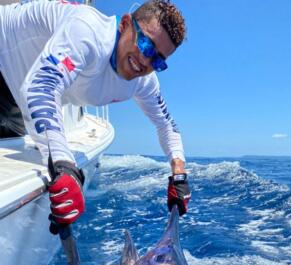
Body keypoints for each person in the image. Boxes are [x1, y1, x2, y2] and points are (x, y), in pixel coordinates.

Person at [0, 0, 191, 228]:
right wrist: (64, 166)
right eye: (146, 45)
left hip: (19, 89)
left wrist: (179, 175)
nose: (145, 61)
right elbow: (41, 86)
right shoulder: (88, 30)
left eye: (158, 60)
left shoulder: (144, 81)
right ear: (125, 24)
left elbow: (166, 125)